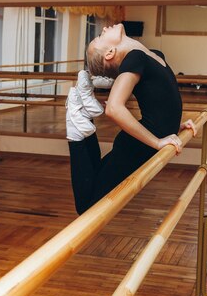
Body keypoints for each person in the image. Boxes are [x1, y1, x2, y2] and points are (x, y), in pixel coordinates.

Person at [66, 23, 196, 215]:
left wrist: (175, 126)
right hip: (139, 145)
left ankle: (83, 118)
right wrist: (157, 141)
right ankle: (76, 126)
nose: (103, 29)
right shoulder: (134, 58)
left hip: (139, 143)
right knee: (87, 206)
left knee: (95, 180)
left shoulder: (154, 54)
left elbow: (161, 101)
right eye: (100, 38)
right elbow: (113, 108)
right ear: (110, 52)